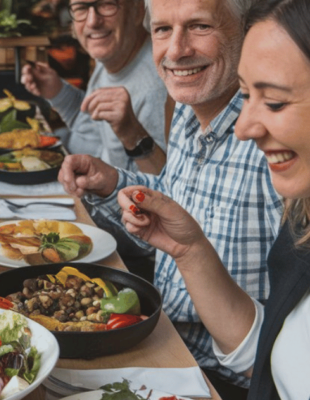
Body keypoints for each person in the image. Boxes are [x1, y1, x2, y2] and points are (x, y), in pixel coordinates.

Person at [57, 0, 284, 395]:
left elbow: (285, 358)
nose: (176, 50)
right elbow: (176, 212)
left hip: (220, 380)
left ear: (245, 31)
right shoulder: (186, 107)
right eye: (162, 29)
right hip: (159, 338)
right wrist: (112, 185)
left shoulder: (275, 142)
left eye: (199, 26)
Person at [118, 1, 310, 397]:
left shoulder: (289, 183)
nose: (244, 127)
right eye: (244, 94)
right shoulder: (187, 113)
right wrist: (190, 250)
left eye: (273, 101)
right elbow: (270, 352)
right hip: (172, 350)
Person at [21, 0, 169, 175]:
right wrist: (57, 92)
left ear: (137, 11)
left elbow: (165, 189)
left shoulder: (160, 85)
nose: (92, 21)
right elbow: (93, 133)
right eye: (81, 8)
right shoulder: (114, 53)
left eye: (107, 4)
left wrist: (133, 134)